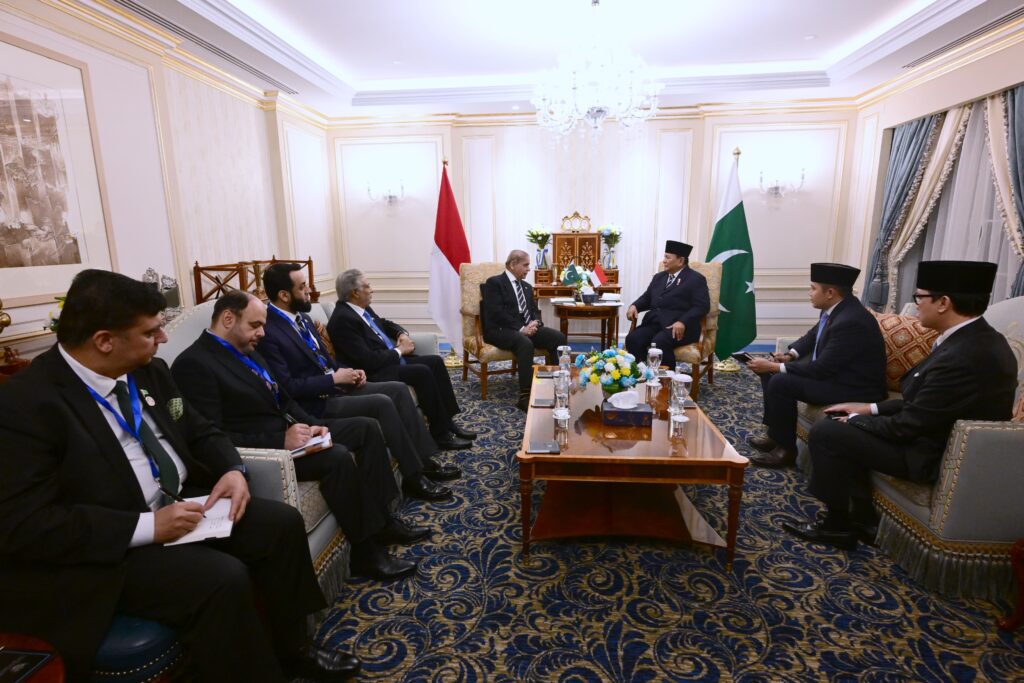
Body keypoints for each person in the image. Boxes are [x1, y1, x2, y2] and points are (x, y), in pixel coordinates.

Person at [0, 270, 359, 682]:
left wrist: (232, 469)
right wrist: (148, 526)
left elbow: (201, 428)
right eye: (152, 332)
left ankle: (295, 650)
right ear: (104, 340)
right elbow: (25, 525)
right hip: (111, 548)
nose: (164, 339)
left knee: (280, 524)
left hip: (181, 503)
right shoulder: (25, 405)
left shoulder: (148, 371)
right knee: (221, 579)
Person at [171, 291, 429, 582]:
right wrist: (279, 440)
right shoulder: (194, 364)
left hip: (293, 430)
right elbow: (212, 435)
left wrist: (315, 425)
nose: (262, 333)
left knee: (365, 428)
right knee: (337, 458)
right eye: (255, 325)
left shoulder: (247, 349)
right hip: (267, 452)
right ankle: (366, 554)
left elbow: (283, 399)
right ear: (228, 319)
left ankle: (383, 520)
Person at [784, 260, 1018, 550]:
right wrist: (868, 409)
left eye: (919, 297)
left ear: (943, 302)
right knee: (840, 420)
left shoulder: (966, 356)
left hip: (932, 453)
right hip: (929, 433)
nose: (915, 304)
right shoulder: (971, 339)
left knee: (829, 433)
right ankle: (861, 515)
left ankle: (837, 526)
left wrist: (856, 421)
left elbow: (909, 425)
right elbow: (924, 405)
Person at [258, 263, 460, 496]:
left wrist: (350, 371)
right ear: (284, 295)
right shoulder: (269, 331)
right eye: (302, 287)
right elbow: (287, 387)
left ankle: (423, 461)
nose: (309, 290)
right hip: (317, 401)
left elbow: (326, 361)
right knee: (383, 402)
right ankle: (414, 478)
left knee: (397, 390)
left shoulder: (301, 318)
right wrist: (333, 379)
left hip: (336, 385)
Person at [745, 263, 887, 468]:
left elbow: (821, 369)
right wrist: (790, 355)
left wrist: (775, 367)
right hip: (835, 375)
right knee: (770, 373)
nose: (809, 293)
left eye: (813, 288)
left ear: (830, 292)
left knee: (779, 381)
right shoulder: (837, 307)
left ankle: (786, 450)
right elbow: (813, 336)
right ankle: (776, 435)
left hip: (853, 388)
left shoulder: (851, 321)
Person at [327, 268, 478, 447]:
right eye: (367, 286)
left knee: (436, 362)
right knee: (422, 372)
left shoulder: (360, 309)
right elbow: (367, 360)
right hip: (374, 371)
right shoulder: (343, 319)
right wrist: (399, 351)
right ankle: (440, 435)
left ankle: (447, 422)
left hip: (389, 359)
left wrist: (401, 333)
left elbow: (384, 323)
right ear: (355, 292)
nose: (372, 290)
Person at [481, 250, 568, 411]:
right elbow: (496, 313)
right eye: (526, 265)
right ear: (513, 264)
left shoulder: (527, 287)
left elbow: (534, 311)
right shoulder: (494, 283)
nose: (529, 269)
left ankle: (557, 381)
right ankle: (525, 395)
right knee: (525, 343)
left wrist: (535, 323)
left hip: (526, 328)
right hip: (500, 329)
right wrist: (522, 329)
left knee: (558, 337)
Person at [625, 240, 710, 364]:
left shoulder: (695, 279)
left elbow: (702, 306)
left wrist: (682, 321)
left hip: (680, 328)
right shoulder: (659, 277)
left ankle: (667, 380)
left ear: (680, 261)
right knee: (633, 338)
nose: (664, 261)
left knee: (659, 342)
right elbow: (647, 298)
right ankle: (642, 373)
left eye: (667, 257)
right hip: (655, 323)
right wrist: (634, 305)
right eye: (664, 257)